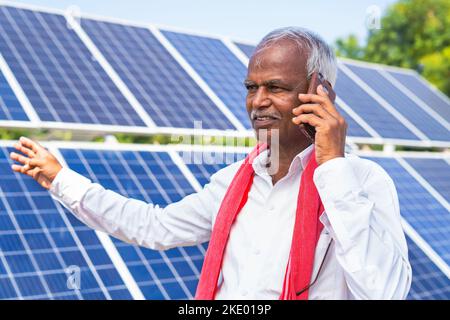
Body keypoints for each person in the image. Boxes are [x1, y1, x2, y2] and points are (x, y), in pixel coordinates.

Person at [9, 27, 412, 300]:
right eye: (252, 88)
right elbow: (155, 226)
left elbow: (385, 291)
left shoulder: (360, 181)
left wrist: (332, 168)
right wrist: (61, 179)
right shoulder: (233, 181)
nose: (258, 102)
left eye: (276, 88)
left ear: (319, 93)